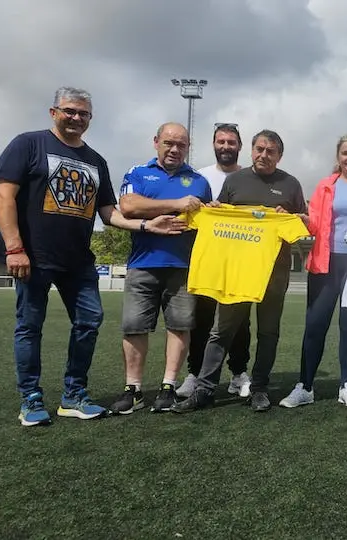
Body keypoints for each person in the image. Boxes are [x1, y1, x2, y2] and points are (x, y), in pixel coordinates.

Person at [0, 86, 186, 426]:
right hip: (33, 256)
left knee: (89, 321)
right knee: (29, 327)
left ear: (90, 119)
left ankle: (74, 395)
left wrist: (147, 226)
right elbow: (4, 197)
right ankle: (31, 399)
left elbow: (109, 214)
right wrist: (14, 248)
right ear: (54, 113)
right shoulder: (28, 144)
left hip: (79, 260)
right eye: (69, 111)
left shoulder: (96, 161)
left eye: (83, 114)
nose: (76, 118)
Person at [171, 129, 308, 413]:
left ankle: (259, 388)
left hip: (275, 271)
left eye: (271, 151)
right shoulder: (235, 180)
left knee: (269, 332)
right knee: (221, 330)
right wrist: (216, 208)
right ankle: (205, 389)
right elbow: (219, 213)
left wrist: (294, 217)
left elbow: (304, 223)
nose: (264, 155)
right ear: (252, 151)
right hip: (237, 272)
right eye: (260, 149)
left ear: (279, 155)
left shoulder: (291, 184)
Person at [109, 122, 213, 415]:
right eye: (169, 143)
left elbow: (207, 220)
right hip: (143, 264)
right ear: (156, 142)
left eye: (181, 144)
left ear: (188, 147)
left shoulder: (198, 181)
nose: (175, 149)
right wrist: (177, 203)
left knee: (179, 327)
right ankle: (134, 389)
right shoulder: (138, 173)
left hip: (183, 267)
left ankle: (168, 387)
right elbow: (128, 206)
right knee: (134, 327)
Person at [279, 133, 347, 408]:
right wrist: (299, 219)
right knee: (315, 325)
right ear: (338, 158)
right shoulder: (326, 186)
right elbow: (314, 223)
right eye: (345, 153)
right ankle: (305, 385)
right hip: (325, 263)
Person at [179, 122, 252, 399]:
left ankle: (238, 372)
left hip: (240, 263)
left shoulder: (249, 177)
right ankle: (195, 373)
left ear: (239, 147)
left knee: (241, 323)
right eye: (221, 142)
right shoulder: (200, 177)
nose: (225, 147)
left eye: (231, 142)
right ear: (213, 145)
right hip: (209, 260)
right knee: (203, 318)